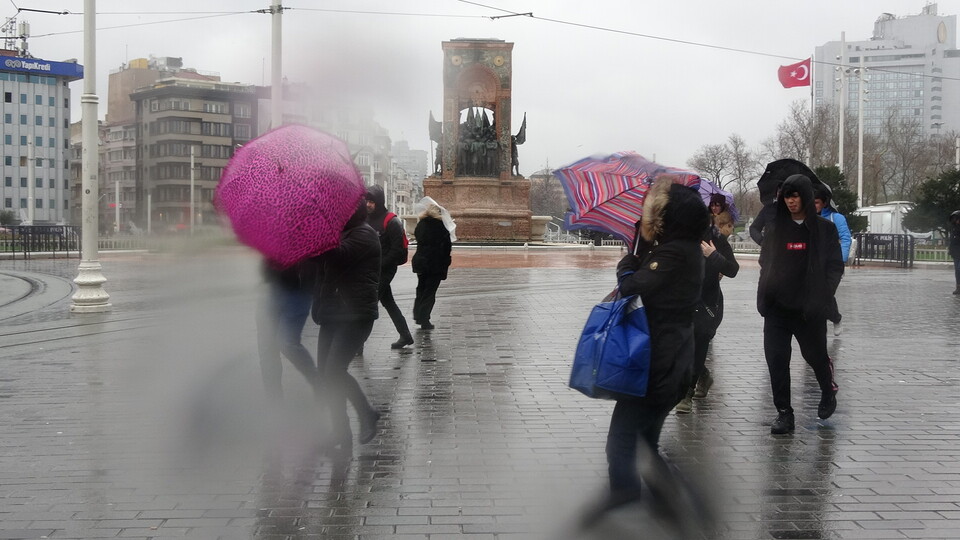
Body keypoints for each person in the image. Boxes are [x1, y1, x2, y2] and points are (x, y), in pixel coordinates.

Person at [605, 176, 709, 504]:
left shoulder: (675, 252)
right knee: (645, 442)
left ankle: (626, 497)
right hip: (672, 357)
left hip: (659, 362)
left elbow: (634, 286)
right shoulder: (683, 248)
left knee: (621, 440)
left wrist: (626, 265)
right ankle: (678, 502)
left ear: (669, 217)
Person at [757, 174, 843, 435]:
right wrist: (765, 294)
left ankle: (828, 391)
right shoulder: (775, 229)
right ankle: (784, 413)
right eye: (786, 196)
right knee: (776, 360)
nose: (791, 201)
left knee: (815, 357)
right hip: (777, 309)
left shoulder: (824, 230)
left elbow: (834, 268)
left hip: (809, 311)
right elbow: (764, 263)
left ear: (805, 196)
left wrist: (822, 295)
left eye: (795, 196)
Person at [310, 200, 382, 451]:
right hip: (333, 312)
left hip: (355, 314)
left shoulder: (364, 234)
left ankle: (367, 414)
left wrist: (318, 233)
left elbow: (338, 256)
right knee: (326, 374)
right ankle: (340, 432)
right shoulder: (344, 233)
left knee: (334, 371)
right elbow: (321, 266)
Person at [675, 202, 739, 414]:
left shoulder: (715, 239)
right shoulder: (677, 239)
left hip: (708, 304)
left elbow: (732, 270)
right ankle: (703, 375)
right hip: (683, 302)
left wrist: (714, 256)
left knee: (698, 342)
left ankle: (687, 393)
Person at [256, 260, 317, 404]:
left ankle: (317, 382)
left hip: (296, 292)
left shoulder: (305, 239)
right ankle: (274, 401)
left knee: (287, 343)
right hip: (270, 290)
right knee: (266, 349)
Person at [365, 185, 414, 349]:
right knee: (388, 302)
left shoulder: (392, 221)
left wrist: (380, 264)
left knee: (369, 305)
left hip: (385, 269)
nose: (368, 205)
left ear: (379, 202)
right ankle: (405, 335)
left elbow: (396, 250)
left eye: (371, 201)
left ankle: (357, 343)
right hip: (370, 270)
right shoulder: (366, 219)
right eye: (367, 201)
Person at [814, 186, 851, 336]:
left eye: (816, 202)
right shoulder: (807, 218)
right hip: (814, 264)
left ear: (825, 203)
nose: (813, 206)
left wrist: (839, 260)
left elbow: (845, 239)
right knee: (816, 295)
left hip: (833, 266)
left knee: (826, 294)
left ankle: (836, 318)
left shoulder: (837, 218)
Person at [411, 200, 453, 329]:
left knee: (421, 288)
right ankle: (424, 319)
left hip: (421, 261)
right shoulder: (441, 226)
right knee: (430, 292)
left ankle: (418, 315)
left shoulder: (421, 224)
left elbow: (419, 239)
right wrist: (446, 262)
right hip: (435, 263)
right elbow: (446, 248)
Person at [950, 210, 960, 295]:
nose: (955, 220)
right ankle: (958, 287)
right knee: (957, 270)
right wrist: (951, 251)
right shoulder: (953, 228)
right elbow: (952, 241)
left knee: (959, 269)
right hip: (956, 252)